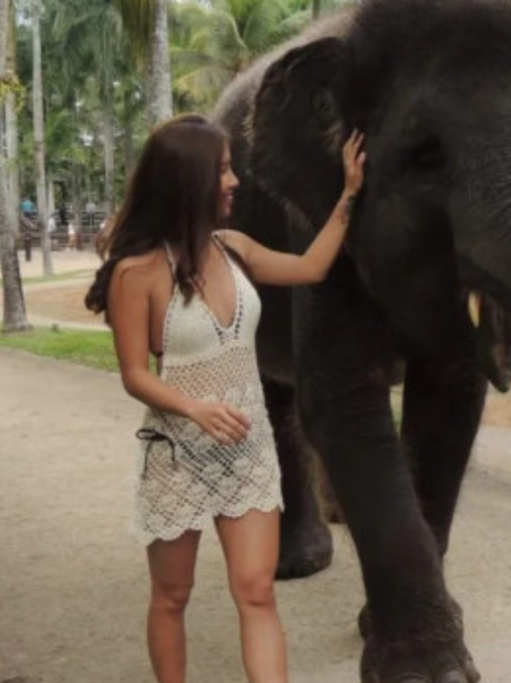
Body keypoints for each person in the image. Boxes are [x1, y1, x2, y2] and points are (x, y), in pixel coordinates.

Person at [84, 114, 366, 683]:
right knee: (172, 596)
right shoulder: (136, 274)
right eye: (223, 170)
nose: (235, 181)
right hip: (176, 454)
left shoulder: (234, 248)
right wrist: (194, 408)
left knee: (257, 591)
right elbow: (134, 374)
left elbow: (311, 267)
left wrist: (349, 194)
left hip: (247, 449)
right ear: (188, 180)